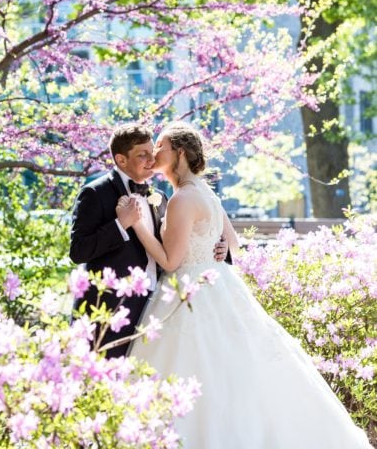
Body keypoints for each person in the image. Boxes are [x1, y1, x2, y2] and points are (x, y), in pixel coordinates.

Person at [124, 123, 371, 449]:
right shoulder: (206, 192)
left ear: (179, 153)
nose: (155, 153)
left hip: (189, 295)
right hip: (219, 287)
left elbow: (170, 262)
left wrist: (139, 226)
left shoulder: (182, 199)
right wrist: (220, 248)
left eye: (161, 146)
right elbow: (234, 241)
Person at [69, 122, 227, 357]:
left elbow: (176, 245)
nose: (151, 160)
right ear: (121, 160)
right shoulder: (96, 193)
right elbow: (78, 251)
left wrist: (219, 246)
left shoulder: (161, 197)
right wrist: (120, 224)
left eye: (151, 152)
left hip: (155, 308)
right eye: (142, 155)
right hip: (110, 309)